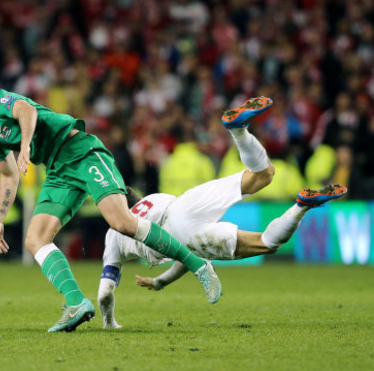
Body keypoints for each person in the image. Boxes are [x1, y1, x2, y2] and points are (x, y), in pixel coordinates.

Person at [0, 66, 220, 333]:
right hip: (57, 170)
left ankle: (198, 265)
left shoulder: (0, 101)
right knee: (35, 239)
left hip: (81, 151)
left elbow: (27, 111)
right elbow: (8, 176)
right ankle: (76, 303)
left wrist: (25, 146)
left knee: (122, 222)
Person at [97, 97, 347, 329]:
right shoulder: (151, 200)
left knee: (266, 244)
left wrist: (109, 323)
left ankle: (302, 205)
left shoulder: (114, 234)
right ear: (136, 200)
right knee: (263, 175)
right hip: (183, 202)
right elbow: (185, 254)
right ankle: (239, 131)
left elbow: (106, 293)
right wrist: (160, 281)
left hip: (178, 230)